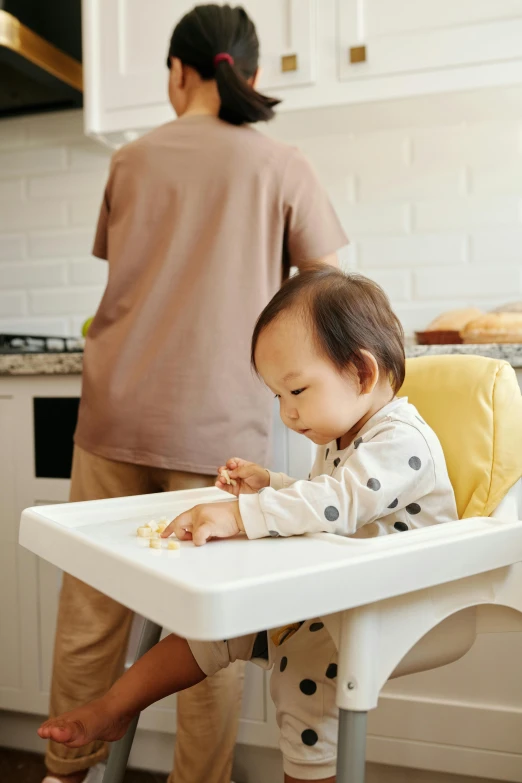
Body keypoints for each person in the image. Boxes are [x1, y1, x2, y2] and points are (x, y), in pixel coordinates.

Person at [43, 6, 347, 783]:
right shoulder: (281, 163)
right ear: (248, 75)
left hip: (113, 413)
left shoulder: (132, 158)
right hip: (218, 434)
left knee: (89, 616)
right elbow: (332, 294)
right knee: (207, 628)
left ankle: (61, 771)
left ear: (181, 72)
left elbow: (128, 281)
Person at [39, 268, 458, 783]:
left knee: (304, 684)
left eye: (297, 390)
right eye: (277, 396)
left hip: (397, 605)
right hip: (337, 594)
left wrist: (240, 516)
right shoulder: (343, 437)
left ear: (361, 374)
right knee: (211, 632)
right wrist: (269, 485)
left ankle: (308, 771)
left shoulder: (402, 442)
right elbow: (322, 499)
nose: (287, 412)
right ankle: (116, 707)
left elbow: (339, 504)